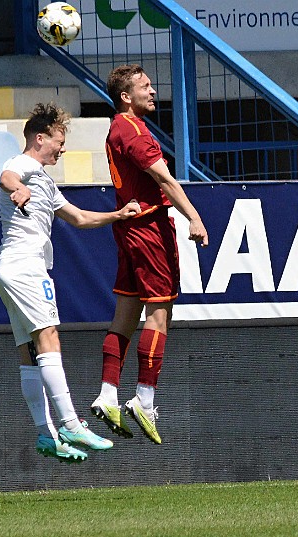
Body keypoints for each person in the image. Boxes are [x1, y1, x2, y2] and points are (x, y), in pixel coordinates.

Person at [0, 102, 141, 463]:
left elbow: (77, 217)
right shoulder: (24, 165)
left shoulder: (44, 180)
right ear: (40, 137)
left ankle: (46, 435)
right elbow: (7, 176)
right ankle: (72, 424)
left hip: (9, 269)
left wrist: (118, 214)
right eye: (59, 141)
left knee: (28, 353)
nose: (62, 148)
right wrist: (18, 190)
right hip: (26, 267)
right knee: (49, 339)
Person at [90, 65, 209, 445]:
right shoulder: (135, 131)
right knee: (159, 314)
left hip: (128, 227)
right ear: (126, 96)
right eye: (145, 86)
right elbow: (165, 179)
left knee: (125, 314)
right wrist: (194, 216)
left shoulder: (116, 128)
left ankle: (108, 394)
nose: (153, 91)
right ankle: (144, 399)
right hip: (149, 229)